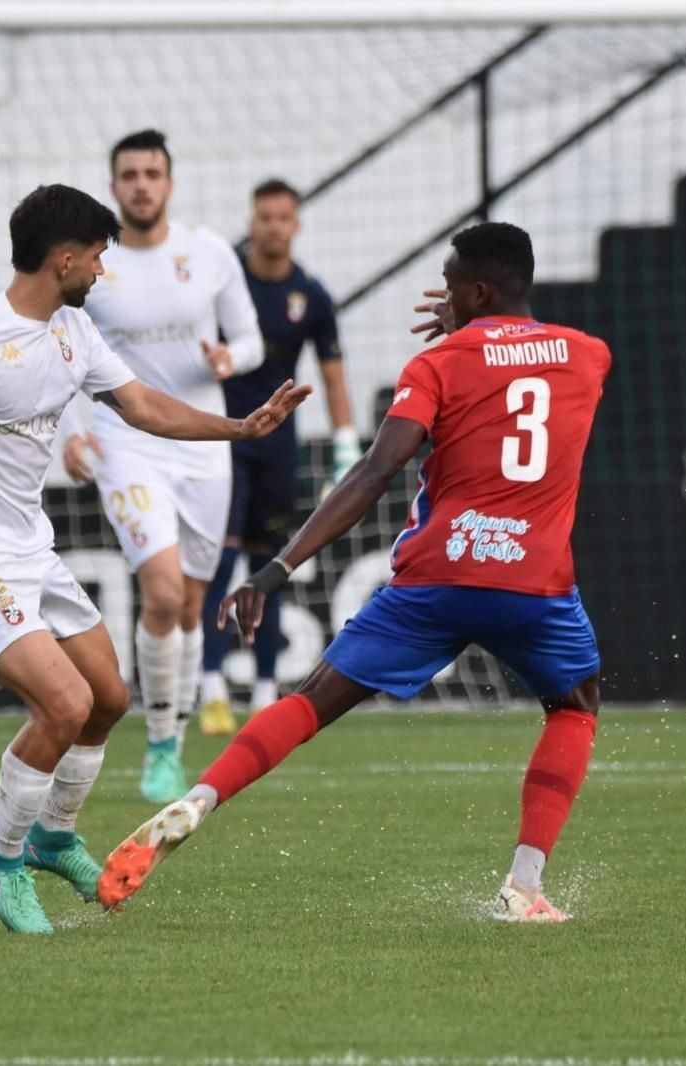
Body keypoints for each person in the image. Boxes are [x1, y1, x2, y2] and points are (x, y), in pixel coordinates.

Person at [98, 222, 612, 924]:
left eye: (452, 281)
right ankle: (524, 886)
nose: (444, 293)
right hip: (534, 587)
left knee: (311, 701)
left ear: (478, 288)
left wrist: (277, 569)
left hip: (436, 583)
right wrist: (481, 323)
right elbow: (522, 355)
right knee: (575, 705)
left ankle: (201, 798)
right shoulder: (590, 356)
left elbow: (375, 472)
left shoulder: (437, 365)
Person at [0, 184, 309, 935]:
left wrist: (241, 427)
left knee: (107, 698)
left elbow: (144, 407)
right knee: (63, 705)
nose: (103, 271)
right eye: (98, 257)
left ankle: (52, 836)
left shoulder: (74, 331)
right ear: (63, 259)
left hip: (32, 554)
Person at [62, 129, 264, 802]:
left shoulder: (207, 254)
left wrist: (231, 362)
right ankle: (157, 743)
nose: (141, 184)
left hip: (205, 444)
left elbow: (251, 338)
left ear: (169, 184)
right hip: (128, 443)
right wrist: (69, 431)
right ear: (114, 184)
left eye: (152, 173)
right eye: (129, 174)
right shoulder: (93, 262)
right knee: (165, 592)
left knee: (193, 607)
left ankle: (171, 741)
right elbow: (61, 344)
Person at [197, 178, 359, 736]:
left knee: (270, 565)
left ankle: (266, 692)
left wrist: (345, 446)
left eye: (282, 217)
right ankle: (212, 685)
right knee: (220, 560)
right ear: (252, 218)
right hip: (223, 440)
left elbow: (333, 375)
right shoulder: (224, 282)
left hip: (278, 447)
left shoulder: (310, 296)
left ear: (296, 223)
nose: (272, 226)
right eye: (264, 216)